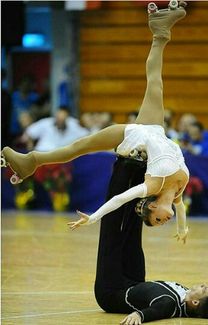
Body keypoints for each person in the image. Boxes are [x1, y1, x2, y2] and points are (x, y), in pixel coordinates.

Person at [2, 1, 190, 240]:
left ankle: (31, 161)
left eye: (158, 220)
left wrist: (93, 217)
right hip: (154, 128)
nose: (166, 220)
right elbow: (181, 208)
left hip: (130, 135)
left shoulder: (152, 187)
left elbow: (120, 199)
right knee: (156, 81)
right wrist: (182, 229)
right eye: (164, 222)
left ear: (152, 206)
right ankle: (160, 31)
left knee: (78, 148)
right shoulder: (178, 191)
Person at [69, 155, 208, 324]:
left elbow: (157, 310)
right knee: (133, 229)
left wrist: (139, 316)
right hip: (134, 281)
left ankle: (122, 166)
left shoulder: (170, 304)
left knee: (112, 230)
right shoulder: (198, 301)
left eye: (204, 288)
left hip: (112, 291)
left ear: (194, 302)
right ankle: (140, 168)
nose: (203, 284)